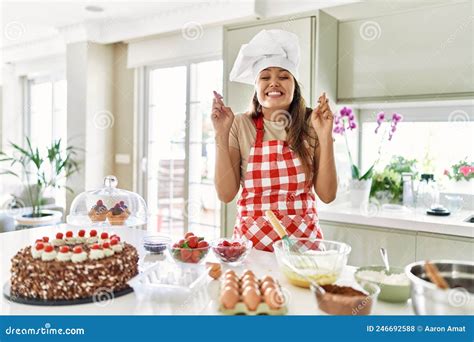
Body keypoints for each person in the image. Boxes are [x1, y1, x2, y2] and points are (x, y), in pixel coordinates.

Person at [211, 29, 337, 252]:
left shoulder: (313, 122)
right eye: (265, 77)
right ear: (256, 87)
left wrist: (325, 136)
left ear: (294, 85)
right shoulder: (239, 125)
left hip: (303, 249)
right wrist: (221, 134)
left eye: (283, 76)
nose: (274, 83)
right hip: (252, 249)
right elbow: (226, 194)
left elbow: (327, 195)